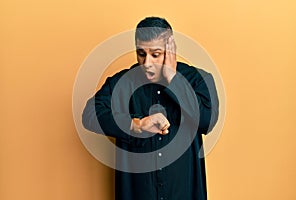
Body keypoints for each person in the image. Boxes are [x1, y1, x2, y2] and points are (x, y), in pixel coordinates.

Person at [82, 17, 219, 200]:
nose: (146, 63)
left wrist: (173, 78)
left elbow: (207, 120)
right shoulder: (122, 83)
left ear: (171, 50)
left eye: (155, 54)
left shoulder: (197, 79)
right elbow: (89, 115)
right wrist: (135, 125)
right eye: (141, 53)